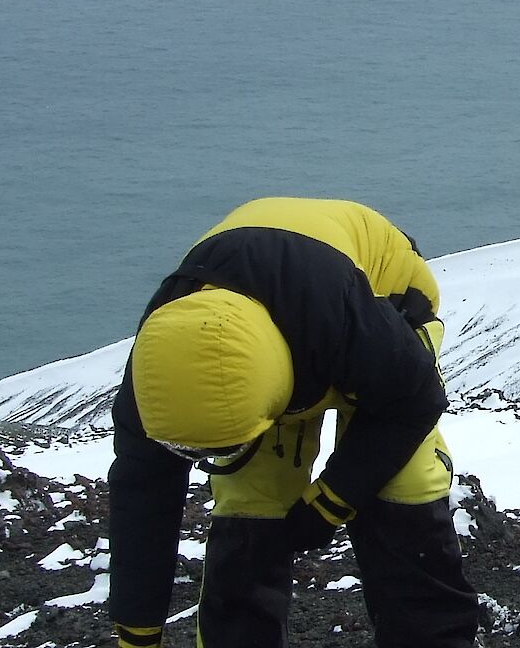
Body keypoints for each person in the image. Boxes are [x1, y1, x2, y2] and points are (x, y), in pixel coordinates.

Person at [107, 198, 480, 648]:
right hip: (270, 325)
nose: (207, 463)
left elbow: (416, 400)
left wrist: (332, 500)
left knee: (403, 490)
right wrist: (137, 637)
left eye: (219, 451)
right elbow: (142, 501)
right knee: (251, 504)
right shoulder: (159, 372)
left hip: (385, 292)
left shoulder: (351, 323)